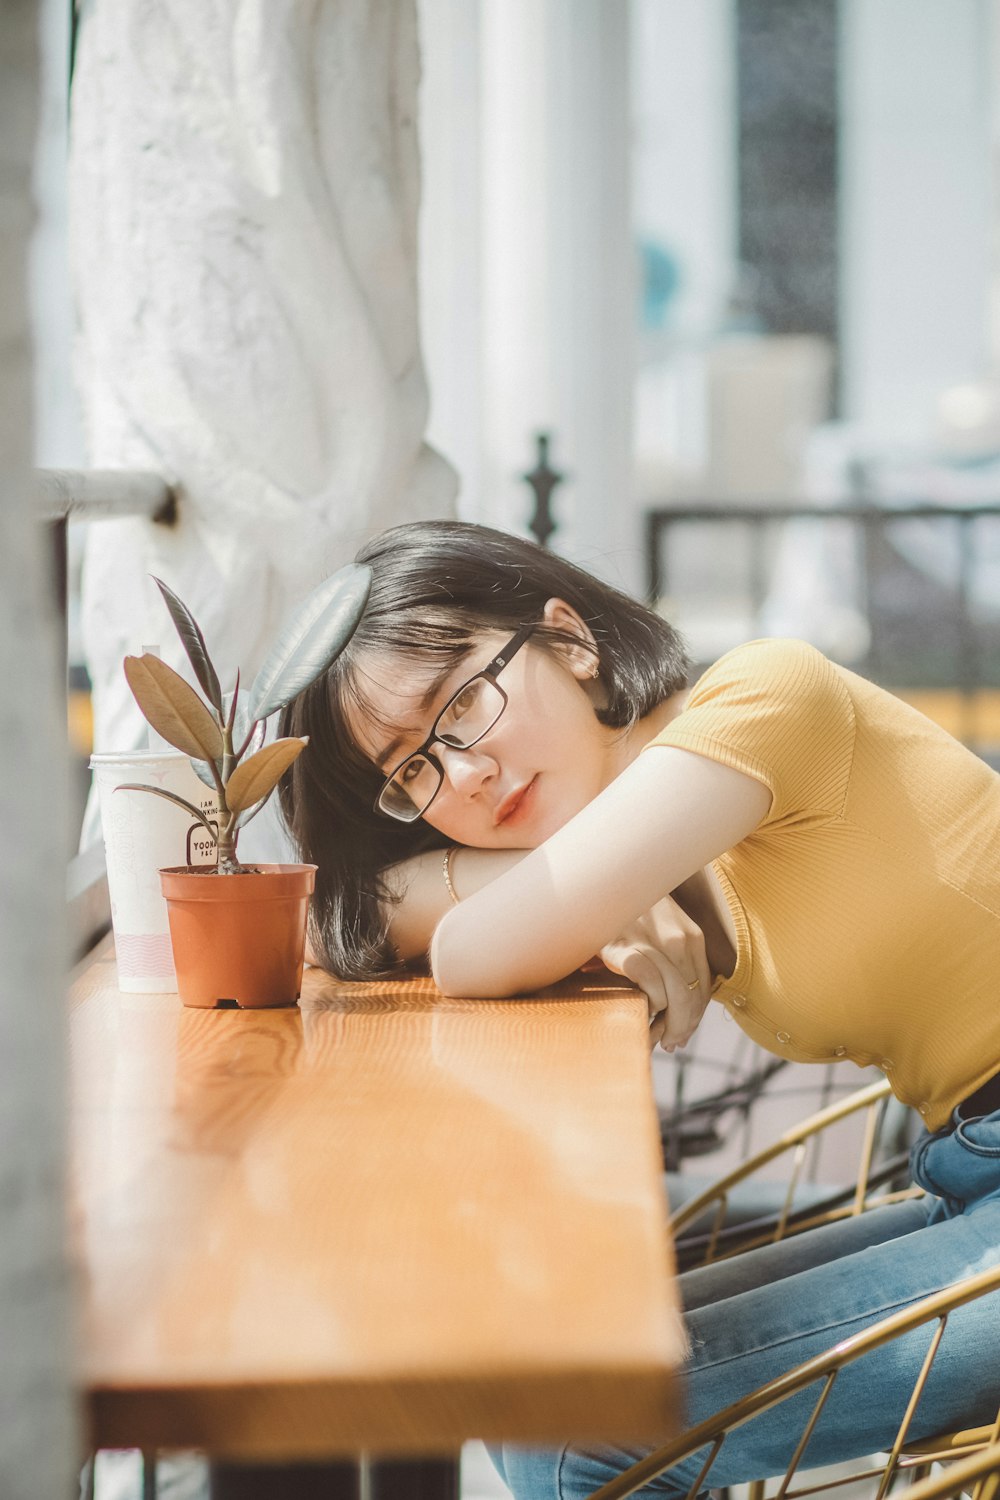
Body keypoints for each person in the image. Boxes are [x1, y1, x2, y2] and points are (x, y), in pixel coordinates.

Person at [279, 518, 1000, 1499]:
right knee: (547, 1388)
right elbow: (330, 920)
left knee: (576, 1441)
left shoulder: (765, 694)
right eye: (412, 773)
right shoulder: (667, 839)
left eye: (462, 708)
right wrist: (573, 887)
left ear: (570, 641)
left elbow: (474, 952)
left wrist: (526, 890)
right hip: (968, 1166)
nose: (464, 774)